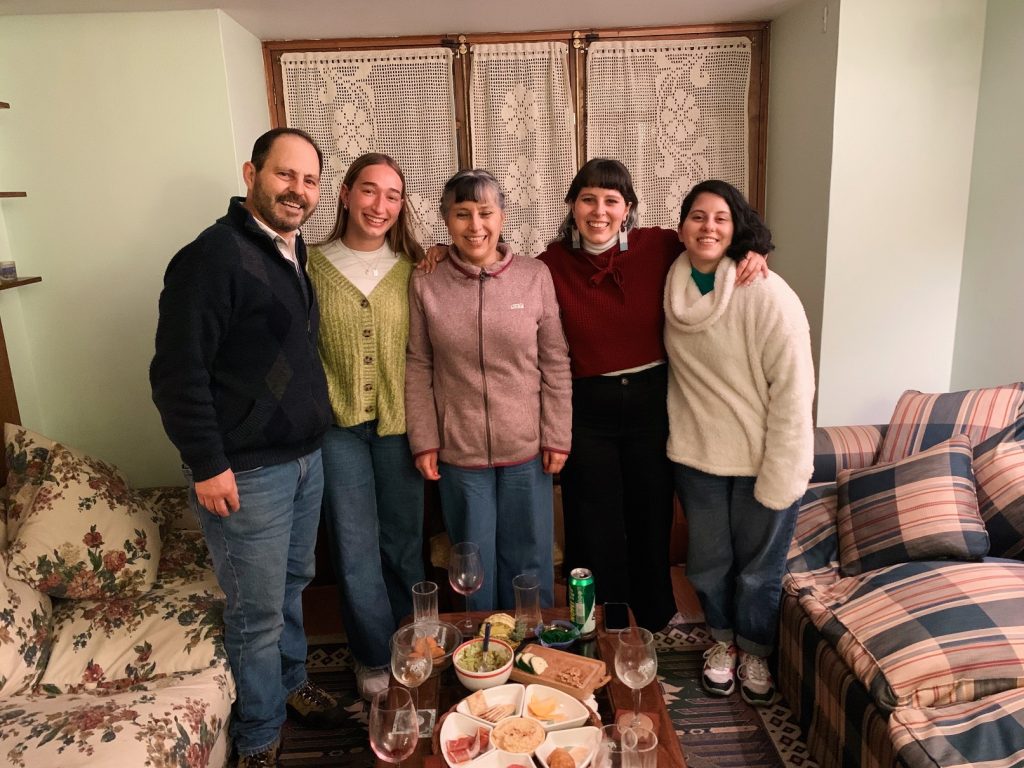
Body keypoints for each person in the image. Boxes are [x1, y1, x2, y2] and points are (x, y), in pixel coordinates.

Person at [150, 127, 343, 768]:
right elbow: (177, 373)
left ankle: (289, 687)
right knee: (256, 612)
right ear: (251, 173)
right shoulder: (212, 257)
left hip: (303, 458)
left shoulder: (293, 251)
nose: (299, 190)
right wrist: (207, 463)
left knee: (293, 584)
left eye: (310, 180)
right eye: (286, 175)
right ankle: (259, 735)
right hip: (247, 471)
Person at [536, 159, 767, 632]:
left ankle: (655, 618)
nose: (599, 211)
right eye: (588, 199)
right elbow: (496, 268)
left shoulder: (659, 246)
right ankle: (600, 619)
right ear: (572, 205)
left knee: (651, 512)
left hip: (653, 402)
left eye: (611, 200)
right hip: (587, 406)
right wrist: (438, 250)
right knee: (591, 517)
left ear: (628, 210)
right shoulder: (550, 264)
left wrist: (755, 252)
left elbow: (718, 238)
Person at [664, 179, 814, 706]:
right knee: (707, 564)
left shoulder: (767, 290)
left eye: (721, 219)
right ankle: (721, 643)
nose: (708, 227)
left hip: (762, 458)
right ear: (680, 227)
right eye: (698, 217)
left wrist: (785, 470)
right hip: (698, 455)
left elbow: (795, 391)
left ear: (737, 228)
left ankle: (754, 649)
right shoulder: (669, 285)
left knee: (758, 571)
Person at [405, 168, 572, 612]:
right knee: (471, 565)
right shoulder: (426, 279)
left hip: (527, 448)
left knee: (530, 560)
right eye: (462, 214)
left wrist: (557, 433)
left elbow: (555, 360)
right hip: (460, 451)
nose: (475, 225)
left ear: (501, 216)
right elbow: (418, 363)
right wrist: (425, 439)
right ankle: (484, 658)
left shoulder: (535, 276)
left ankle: (533, 650)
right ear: (446, 220)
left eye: (485, 212)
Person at [306, 153, 426, 700]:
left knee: (403, 545)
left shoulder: (417, 266)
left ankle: (411, 646)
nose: (380, 205)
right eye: (370, 191)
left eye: (393, 196)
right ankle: (373, 655)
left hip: (400, 426)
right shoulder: (307, 264)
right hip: (337, 429)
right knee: (354, 548)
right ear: (345, 194)